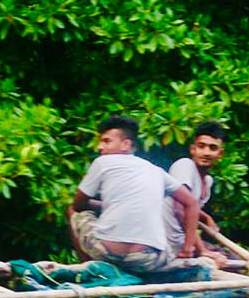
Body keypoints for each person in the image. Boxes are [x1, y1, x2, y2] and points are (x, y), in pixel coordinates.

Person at [67, 115, 207, 273]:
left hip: (107, 253)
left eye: (106, 141)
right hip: (148, 260)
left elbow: (79, 205)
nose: (100, 147)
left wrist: (96, 204)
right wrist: (187, 250)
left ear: (126, 144)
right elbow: (192, 203)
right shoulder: (155, 170)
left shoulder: (103, 163)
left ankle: (90, 270)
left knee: (71, 210)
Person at [162, 121, 228, 267]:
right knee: (223, 259)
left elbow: (192, 210)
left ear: (220, 154)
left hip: (182, 243)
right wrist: (202, 250)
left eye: (213, 148)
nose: (206, 152)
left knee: (227, 256)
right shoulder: (185, 166)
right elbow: (181, 211)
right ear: (193, 149)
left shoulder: (208, 182)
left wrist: (206, 217)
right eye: (201, 146)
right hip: (169, 246)